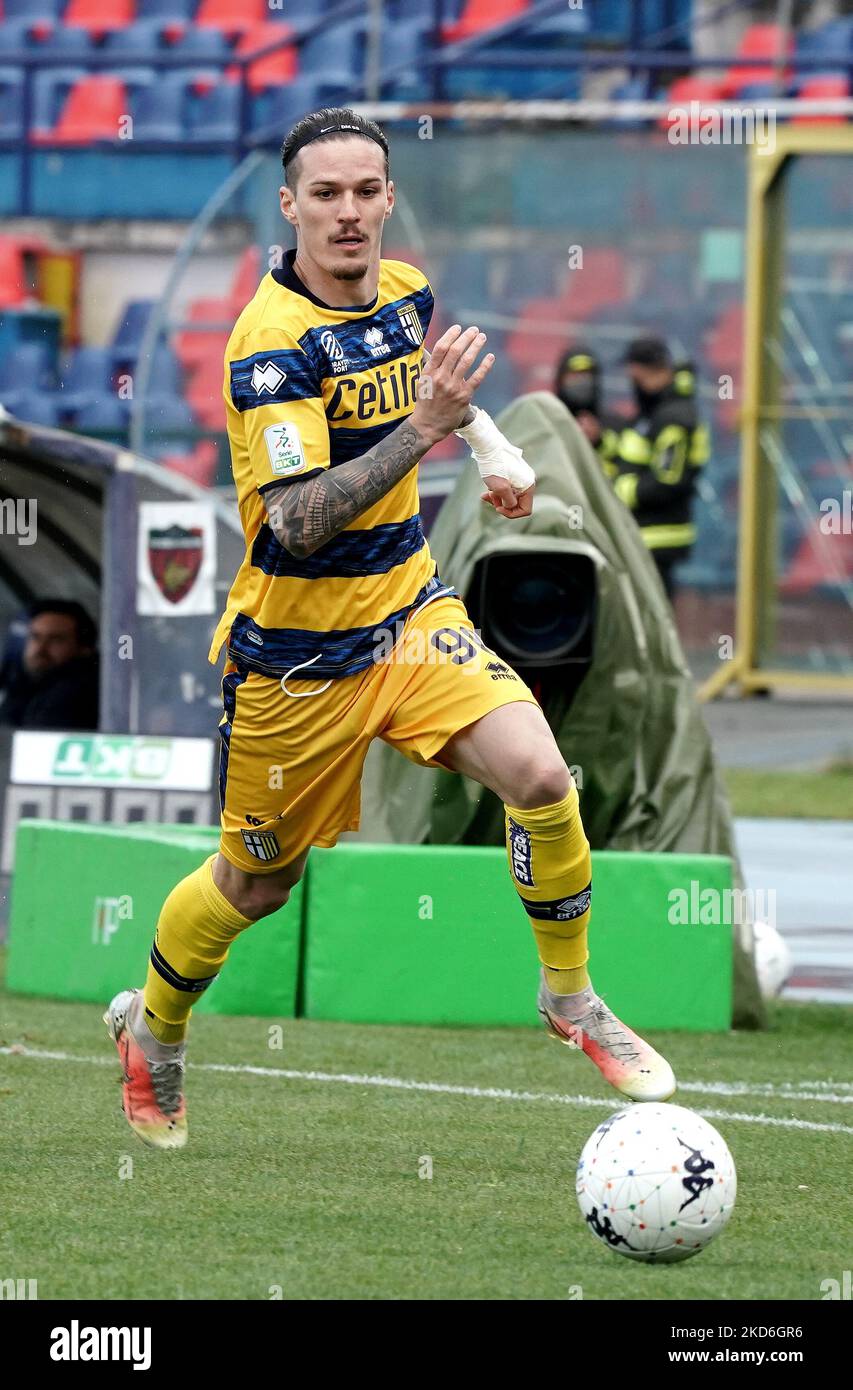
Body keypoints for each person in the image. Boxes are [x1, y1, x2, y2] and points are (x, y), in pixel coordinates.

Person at [104, 108, 675, 1150]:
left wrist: (492, 450)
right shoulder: (269, 347)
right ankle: (155, 1024)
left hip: (410, 616)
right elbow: (299, 518)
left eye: (367, 190)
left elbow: (437, 403)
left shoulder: (405, 292)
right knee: (255, 884)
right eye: (326, 194)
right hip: (296, 660)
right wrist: (429, 427)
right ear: (290, 208)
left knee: (542, 778)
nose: (350, 212)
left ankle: (570, 996)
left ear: (388, 197)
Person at [610, 336, 710, 601]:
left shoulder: (673, 417)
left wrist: (622, 491)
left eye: (635, 375)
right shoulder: (657, 412)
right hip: (643, 536)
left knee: (652, 616)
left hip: (658, 537)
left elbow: (668, 479)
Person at [0, 599, 98, 730]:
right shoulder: (24, 685)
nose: (40, 649)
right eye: (35, 637)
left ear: (84, 649)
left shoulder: (73, 693)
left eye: (56, 640)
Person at [553, 345, 621, 472]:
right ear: (561, 379)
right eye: (575, 374)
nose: (582, 381)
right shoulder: (546, 420)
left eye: (587, 375)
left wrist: (598, 442)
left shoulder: (616, 424)